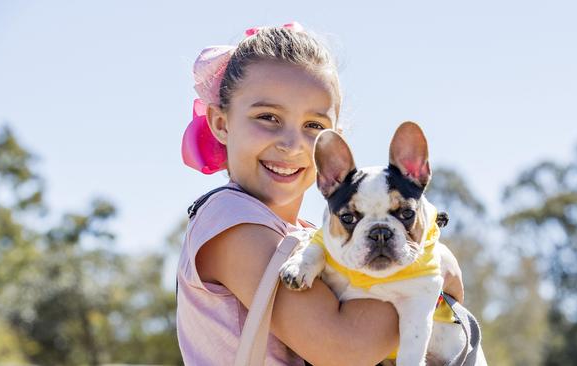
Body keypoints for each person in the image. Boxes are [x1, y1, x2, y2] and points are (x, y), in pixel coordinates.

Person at [176, 22, 466, 366]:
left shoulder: (313, 235)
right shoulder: (230, 221)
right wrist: (433, 273)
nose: (291, 143)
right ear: (221, 123)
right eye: (267, 116)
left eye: (313, 126)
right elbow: (344, 347)